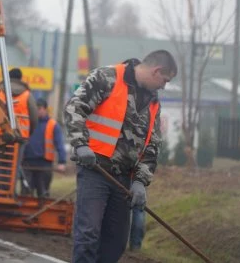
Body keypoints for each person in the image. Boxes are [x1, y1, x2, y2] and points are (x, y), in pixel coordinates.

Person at [64, 50, 177, 263]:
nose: (164, 86)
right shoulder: (107, 77)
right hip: (95, 169)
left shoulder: (153, 103)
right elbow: (74, 108)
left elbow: (152, 145)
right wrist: (80, 145)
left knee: (116, 242)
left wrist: (141, 182)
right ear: (157, 71)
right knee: (88, 233)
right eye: (165, 80)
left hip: (124, 179)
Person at [22, 98, 67, 198]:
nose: (37, 110)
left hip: (44, 164)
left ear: (45, 109)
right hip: (27, 163)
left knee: (43, 193)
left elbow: (59, 144)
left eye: (39, 108)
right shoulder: (27, 122)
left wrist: (62, 162)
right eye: (35, 108)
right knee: (25, 194)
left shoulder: (53, 125)